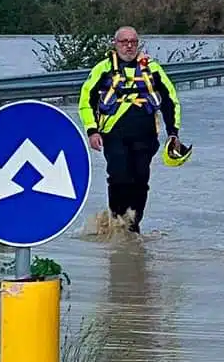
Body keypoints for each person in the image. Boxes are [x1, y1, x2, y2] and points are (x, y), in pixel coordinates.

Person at [79, 26, 190, 232]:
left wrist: (173, 132)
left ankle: (132, 225)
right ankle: (116, 221)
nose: (129, 46)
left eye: (133, 42)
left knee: (140, 180)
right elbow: (85, 101)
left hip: (146, 136)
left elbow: (170, 100)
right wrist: (92, 131)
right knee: (119, 177)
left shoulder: (153, 69)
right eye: (124, 42)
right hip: (113, 135)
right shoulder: (102, 69)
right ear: (115, 44)